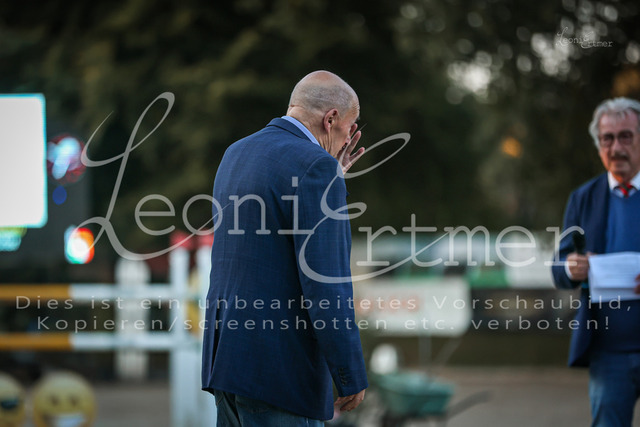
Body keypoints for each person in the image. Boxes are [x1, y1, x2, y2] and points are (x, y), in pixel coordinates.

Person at [201, 70, 368, 426]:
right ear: (330, 119)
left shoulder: (236, 153)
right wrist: (350, 372)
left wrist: (330, 175)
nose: (346, 141)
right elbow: (326, 284)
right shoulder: (316, 168)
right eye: (348, 130)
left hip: (226, 365)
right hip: (279, 375)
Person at [552, 97, 640, 427]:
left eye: (626, 136)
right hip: (608, 354)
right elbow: (558, 266)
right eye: (607, 138)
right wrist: (570, 267)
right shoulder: (583, 198)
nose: (616, 147)